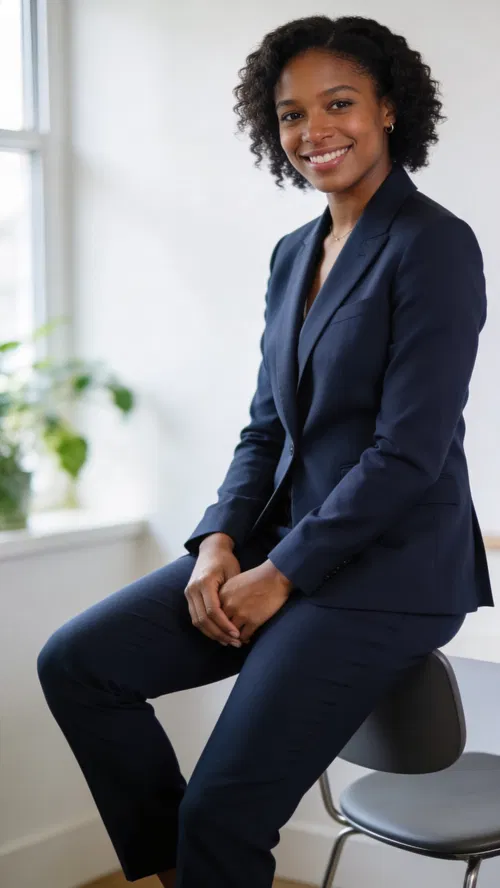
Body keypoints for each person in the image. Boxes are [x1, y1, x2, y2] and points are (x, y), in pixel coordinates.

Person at [37, 14, 493, 888]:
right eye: (291, 114)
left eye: (339, 103)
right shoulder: (294, 255)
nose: (313, 130)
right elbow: (266, 429)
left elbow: (408, 452)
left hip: (388, 570)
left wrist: (280, 573)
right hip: (278, 543)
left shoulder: (433, 244)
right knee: (80, 664)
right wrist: (217, 541)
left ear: (389, 108)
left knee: (222, 813)